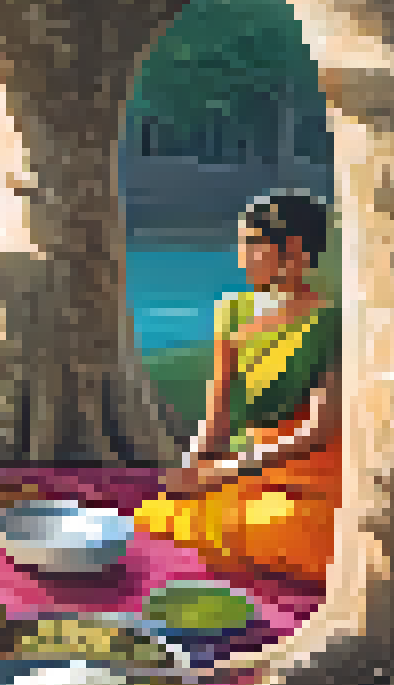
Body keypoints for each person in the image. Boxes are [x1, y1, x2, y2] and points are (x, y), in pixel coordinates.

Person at [136, 192, 340, 584]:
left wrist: (220, 473)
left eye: (253, 244)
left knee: (285, 531)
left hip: (309, 481)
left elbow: (317, 432)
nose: (244, 255)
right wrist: (191, 467)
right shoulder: (232, 312)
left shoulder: (328, 322)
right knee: (160, 514)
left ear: (293, 249)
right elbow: (217, 420)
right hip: (251, 470)